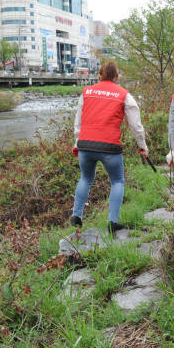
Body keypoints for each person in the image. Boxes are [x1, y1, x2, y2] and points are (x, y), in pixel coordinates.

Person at [70, 61, 148, 232]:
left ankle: (77, 215)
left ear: (100, 75)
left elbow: (78, 121)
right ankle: (112, 222)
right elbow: (136, 126)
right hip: (109, 146)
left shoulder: (86, 92)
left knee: (85, 178)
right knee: (117, 181)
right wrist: (142, 146)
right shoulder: (124, 94)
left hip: (85, 144)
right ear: (116, 76)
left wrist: (78, 142)